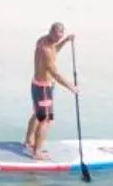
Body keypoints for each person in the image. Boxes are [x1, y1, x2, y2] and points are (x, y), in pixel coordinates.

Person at [26, 22, 78, 160]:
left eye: (60, 38)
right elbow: (55, 74)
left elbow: (54, 49)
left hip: (37, 83)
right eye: (56, 37)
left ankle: (28, 141)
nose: (58, 40)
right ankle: (37, 151)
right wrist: (71, 87)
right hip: (43, 87)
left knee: (38, 114)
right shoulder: (46, 50)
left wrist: (66, 41)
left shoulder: (43, 40)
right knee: (46, 119)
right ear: (51, 31)